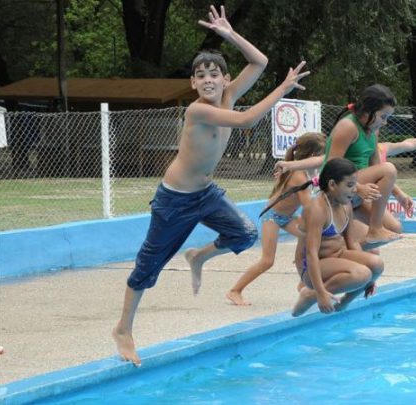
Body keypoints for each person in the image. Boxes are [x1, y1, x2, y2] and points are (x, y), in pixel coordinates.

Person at [112, 4, 310, 367]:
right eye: (200, 75)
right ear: (192, 83)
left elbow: (260, 63)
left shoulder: (228, 96)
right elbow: (249, 121)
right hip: (174, 200)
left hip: (205, 194)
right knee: (147, 267)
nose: (207, 80)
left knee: (245, 234)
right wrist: (283, 88)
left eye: (214, 74)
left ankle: (199, 255)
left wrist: (229, 35)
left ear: (224, 78)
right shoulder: (197, 111)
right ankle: (123, 329)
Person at [275, 85, 416, 250]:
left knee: (395, 228)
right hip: (336, 191)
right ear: (368, 111)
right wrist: (358, 187)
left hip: (355, 192)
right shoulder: (348, 127)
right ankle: (374, 230)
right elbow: (330, 168)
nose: (385, 122)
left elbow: (376, 167)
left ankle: (337, 251)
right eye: (383, 116)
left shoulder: (373, 130)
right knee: (389, 168)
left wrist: (399, 194)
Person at [225, 132, 325, 306]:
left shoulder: (308, 170)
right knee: (267, 260)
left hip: (287, 216)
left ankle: (303, 279)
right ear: (313, 155)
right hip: (272, 216)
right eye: (322, 154)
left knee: (316, 238)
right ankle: (235, 290)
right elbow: (309, 205)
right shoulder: (299, 175)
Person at [292, 158, 384, 317]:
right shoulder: (317, 209)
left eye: (355, 184)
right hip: (312, 266)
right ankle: (311, 295)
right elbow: (311, 254)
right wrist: (320, 293)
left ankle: (344, 302)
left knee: (376, 264)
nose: (354, 190)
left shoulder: (345, 204)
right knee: (361, 274)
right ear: (332, 185)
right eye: (349, 185)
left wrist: (371, 280)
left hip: (337, 255)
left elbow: (352, 242)